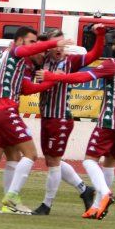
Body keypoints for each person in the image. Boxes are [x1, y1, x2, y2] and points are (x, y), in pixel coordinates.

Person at [38, 26, 115, 220]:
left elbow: (84, 76)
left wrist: (53, 76)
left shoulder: (113, 64)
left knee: (89, 160)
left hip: (109, 121)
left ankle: (105, 193)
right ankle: (96, 207)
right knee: (109, 164)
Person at [0, 27, 72, 215]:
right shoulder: (16, 51)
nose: (34, 46)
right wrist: (55, 43)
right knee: (31, 154)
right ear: (19, 41)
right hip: (5, 108)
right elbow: (28, 59)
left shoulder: (9, 54)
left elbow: (26, 82)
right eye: (31, 41)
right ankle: (12, 197)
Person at [30, 25, 105, 216]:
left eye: (62, 44)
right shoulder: (43, 59)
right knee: (51, 161)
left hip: (61, 118)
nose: (59, 48)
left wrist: (100, 35)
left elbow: (95, 54)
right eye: (56, 44)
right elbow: (31, 49)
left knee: (54, 162)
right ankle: (84, 190)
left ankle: (46, 205)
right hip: (47, 116)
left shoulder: (71, 61)